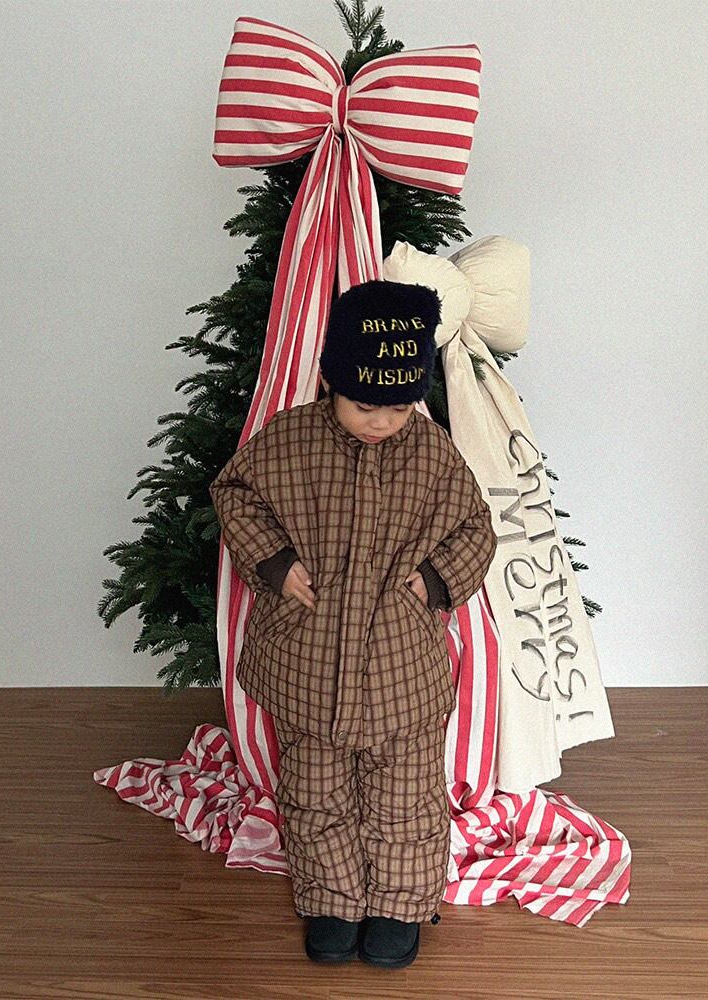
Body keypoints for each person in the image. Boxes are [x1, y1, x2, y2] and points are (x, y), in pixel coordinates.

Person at [209, 279, 497, 969]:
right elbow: (235, 493)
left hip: (402, 672)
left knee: (406, 798)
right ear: (329, 381)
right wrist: (275, 563)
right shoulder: (290, 440)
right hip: (307, 662)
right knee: (315, 793)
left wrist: (434, 582)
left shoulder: (431, 453)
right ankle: (331, 899)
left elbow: (476, 530)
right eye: (365, 404)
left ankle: (399, 906)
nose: (381, 422)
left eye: (397, 407)